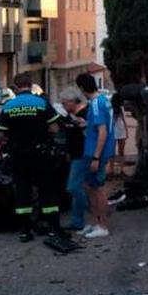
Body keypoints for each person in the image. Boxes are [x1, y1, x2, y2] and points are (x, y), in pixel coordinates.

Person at [0, 72, 74, 250]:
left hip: (19, 156)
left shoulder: (9, 106)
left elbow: (1, 134)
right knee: (47, 190)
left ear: (15, 88)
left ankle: (25, 231)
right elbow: (54, 128)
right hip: (41, 154)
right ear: (31, 86)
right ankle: (54, 228)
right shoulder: (41, 103)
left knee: (23, 192)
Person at [77, 73, 114, 238]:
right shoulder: (104, 100)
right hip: (94, 150)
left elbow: (103, 131)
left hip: (95, 152)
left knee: (97, 189)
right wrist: (87, 124)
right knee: (89, 187)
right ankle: (95, 222)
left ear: (82, 88)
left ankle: (102, 225)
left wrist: (96, 157)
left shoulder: (97, 104)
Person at [57, 87, 92, 233]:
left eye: (64, 103)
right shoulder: (71, 116)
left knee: (74, 187)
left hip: (83, 155)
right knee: (84, 188)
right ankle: (80, 219)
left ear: (72, 101)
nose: (63, 106)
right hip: (77, 155)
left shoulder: (85, 114)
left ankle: (90, 214)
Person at [111, 92, 129, 178]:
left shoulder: (120, 109)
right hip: (116, 130)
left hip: (120, 130)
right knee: (115, 152)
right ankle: (113, 170)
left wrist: (126, 130)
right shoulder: (111, 109)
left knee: (119, 151)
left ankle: (119, 170)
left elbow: (124, 120)